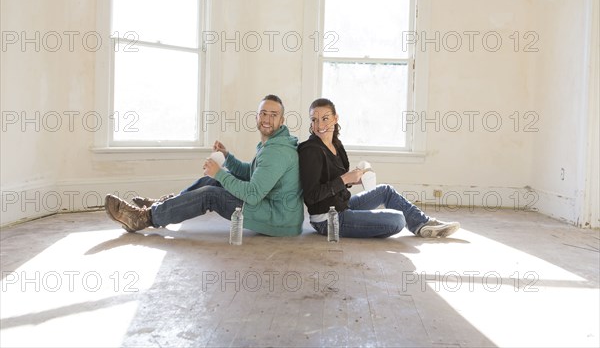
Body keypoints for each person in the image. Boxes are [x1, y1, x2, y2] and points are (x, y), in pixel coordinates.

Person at [105, 94, 304, 237]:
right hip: (272, 210)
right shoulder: (272, 143)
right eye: (263, 114)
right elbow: (252, 174)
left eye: (273, 115)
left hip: (277, 219)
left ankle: (144, 217)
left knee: (210, 193)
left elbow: (252, 194)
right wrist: (227, 158)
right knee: (210, 180)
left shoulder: (276, 151)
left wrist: (221, 174)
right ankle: (164, 205)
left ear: (282, 120)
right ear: (256, 117)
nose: (267, 119)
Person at [298, 98, 460, 239]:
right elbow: (311, 197)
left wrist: (353, 180)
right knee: (397, 220)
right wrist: (345, 178)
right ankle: (413, 224)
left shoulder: (336, 145)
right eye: (314, 120)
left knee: (385, 190)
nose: (319, 125)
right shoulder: (310, 150)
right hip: (328, 220)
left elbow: (331, 180)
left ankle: (423, 225)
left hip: (342, 205)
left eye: (325, 118)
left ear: (335, 118)